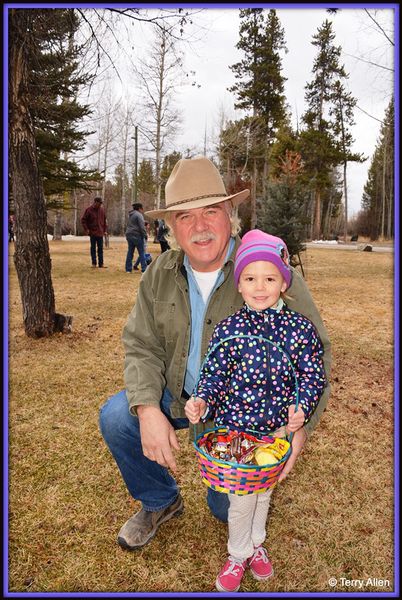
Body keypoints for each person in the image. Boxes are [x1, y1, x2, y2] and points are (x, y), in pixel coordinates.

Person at [99, 156, 331, 556]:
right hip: (180, 396)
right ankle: (160, 500)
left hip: (242, 415)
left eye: (211, 211)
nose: (200, 226)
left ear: (230, 214)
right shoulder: (158, 272)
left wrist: (300, 426)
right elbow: (141, 344)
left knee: (226, 509)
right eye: (185, 216)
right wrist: (148, 410)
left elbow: (316, 356)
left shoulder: (263, 270)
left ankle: (234, 499)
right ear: (171, 226)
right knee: (119, 415)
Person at [184, 229, 326, 592]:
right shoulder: (231, 328)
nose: (259, 287)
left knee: (264, 491)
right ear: (240, 284)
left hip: (275, 435)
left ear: (283, 283)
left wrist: (301, 409)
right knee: (242, 499)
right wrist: (203, 400)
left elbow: (311, 375)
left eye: (269, 278)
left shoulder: (299, 330)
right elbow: (214, 374)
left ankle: (256, 545)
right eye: (250, 278)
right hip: (236, 435)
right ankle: (237, 554)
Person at [81, 196, 108, 268]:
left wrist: (105, 230)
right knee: (93, 248)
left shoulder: (102, 210)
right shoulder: (89, 210)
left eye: (101, 203)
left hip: (100, 232)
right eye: (99, 203)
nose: (100, 205)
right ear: (95, 202)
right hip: (92, 233)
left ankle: (101, 264)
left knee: (100, 249)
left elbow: (105, 221)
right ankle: (94, 263)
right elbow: (83, 220)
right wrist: (86, 229)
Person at [125, 203, 148, 273]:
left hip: (129, 234)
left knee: (130, 251)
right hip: (137, 235)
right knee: (141, 252)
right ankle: (144, 269)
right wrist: (145, 235)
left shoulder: (130, 215)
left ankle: (128, 269)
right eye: (142, 209)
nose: (142, 210)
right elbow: (142, 226)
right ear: (139, 208)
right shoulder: (139, 215)